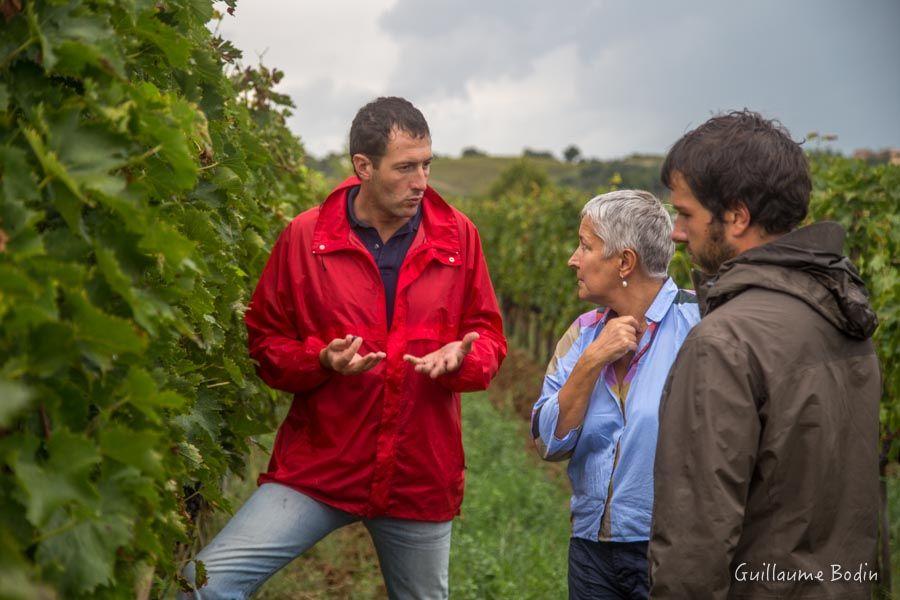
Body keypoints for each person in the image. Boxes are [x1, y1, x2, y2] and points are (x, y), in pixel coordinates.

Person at [181, 97, 507, 599]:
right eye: (405, 168)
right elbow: (265, 342)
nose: (421, 181)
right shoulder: (304, 238)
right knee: (201, 587)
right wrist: (320, 361)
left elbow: (488, 336)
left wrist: (463, 358)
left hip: (418, 475)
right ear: (363, 167)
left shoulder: (459, 236)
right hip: (320, 467)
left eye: (426, 164)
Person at [649, 110, 881, 599]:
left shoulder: (724, 342)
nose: (675, 232)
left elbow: (695, 542)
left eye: (686, 214)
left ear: (736, 216)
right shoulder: (844, 314)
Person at [531, 190, 701, 600]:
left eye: (586, 246)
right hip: (591, 548)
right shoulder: (583, 334)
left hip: (669, 550)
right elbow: (548, 441)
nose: (573, 258)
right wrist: (592, 360)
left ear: (625, 262)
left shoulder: (700, 326)